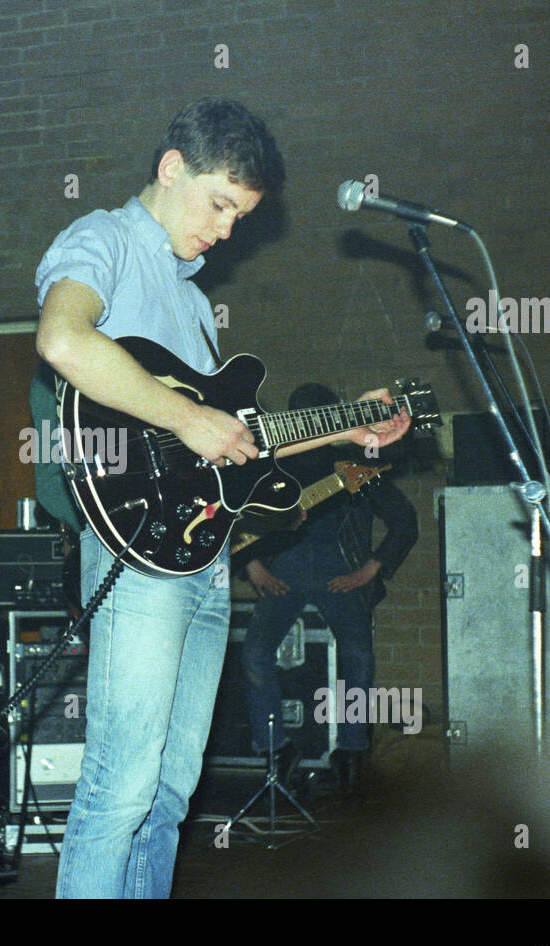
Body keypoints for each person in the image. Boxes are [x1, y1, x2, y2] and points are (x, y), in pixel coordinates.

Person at [32, 97, 411, 898]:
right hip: (135, 559)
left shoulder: (197, 303)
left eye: (240, 215)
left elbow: (233, 445)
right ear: (173, 169)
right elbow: (63, 340)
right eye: (220, 205)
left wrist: (353, 426)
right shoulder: (101, 241)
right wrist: (186, 416)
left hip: (204, 564)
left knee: (169, 797)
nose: (227, 230)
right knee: (120, 788)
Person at [239, 383, 419, 786]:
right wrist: (252, 565)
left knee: (358, 655)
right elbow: (239, 517)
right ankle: (275, 748)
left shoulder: (352, 466)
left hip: (341, 571)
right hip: (283, 571)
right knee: (253, 656)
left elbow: (405, 520)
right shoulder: (272, 467)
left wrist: (370, 569)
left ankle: (352, 751)